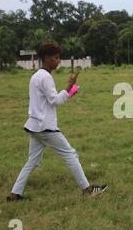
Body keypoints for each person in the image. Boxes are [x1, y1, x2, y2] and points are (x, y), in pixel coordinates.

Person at [7, 42, 107, 201]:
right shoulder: (46, 77)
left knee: (32, 161)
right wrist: (69, 86)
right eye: (56, 57)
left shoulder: (36, 75)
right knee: (71, 154)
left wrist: (68, 93)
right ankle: (88, 190)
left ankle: (14, 195)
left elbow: (48, 100)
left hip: (35, 125)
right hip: (45, 127)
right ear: (47, 58)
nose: (59, 61)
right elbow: (55, 101)